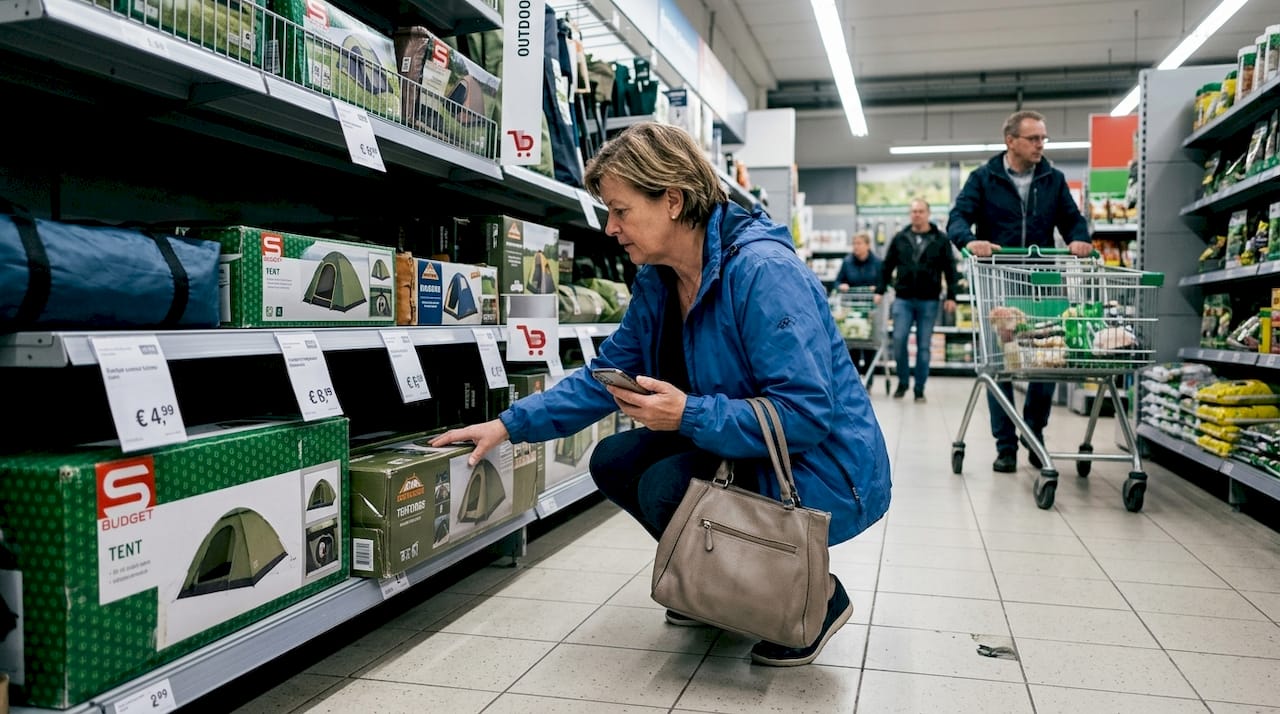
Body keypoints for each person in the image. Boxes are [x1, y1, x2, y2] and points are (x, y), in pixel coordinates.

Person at [432, 122, 891, 667]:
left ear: (671, 200)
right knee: (616, 460)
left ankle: (815, 598)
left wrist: (688, 413)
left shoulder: (764, 274)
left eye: (621, 211)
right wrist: (508, 425)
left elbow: (807, 414)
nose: (610, 227)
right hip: (751, 446)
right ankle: (718, 578)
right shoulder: (660, 279)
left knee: (667, 488)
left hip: (823, 468)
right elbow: (605, 373)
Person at [947, 109, 1093, 473]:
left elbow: (1072, 220)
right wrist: (971, 241)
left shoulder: (1053, 178)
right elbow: (957, 219)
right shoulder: (984, 178)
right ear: (1010, 141)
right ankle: (1006, 445)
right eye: (1033, 138)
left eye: (1043, 138)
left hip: (1043, 278)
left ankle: (1033, 431)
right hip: (999, 278)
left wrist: (1079, 240)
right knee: (1002, 362)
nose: (1040, 144)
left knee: (1049, 357)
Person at [876, 199, 957, 402]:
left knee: (923, 346)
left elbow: (950, 269)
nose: (917, 215)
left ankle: (919, 388)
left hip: (929, 300)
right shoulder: (900, 238)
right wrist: (880, 289)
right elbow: (887, 266)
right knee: (899, 339)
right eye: (913, 211)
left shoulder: (940, 239)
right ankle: (903, 382)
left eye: (920, 211)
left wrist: (952, 296)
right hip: (903, 298)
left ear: (928, 213)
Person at [835, 232, 882, 371]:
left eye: (859, 243)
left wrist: (878, 289)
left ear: (868, 245)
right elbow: (838, 281)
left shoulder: (878, 263)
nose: (856, 247)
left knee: (869, 343)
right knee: (853, 343)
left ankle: (868, 377)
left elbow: (884, 283)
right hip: (852, 310)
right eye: (854, 243)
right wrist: (841, 286)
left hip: (871, 311)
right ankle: (855, 378)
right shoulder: (847, 262)